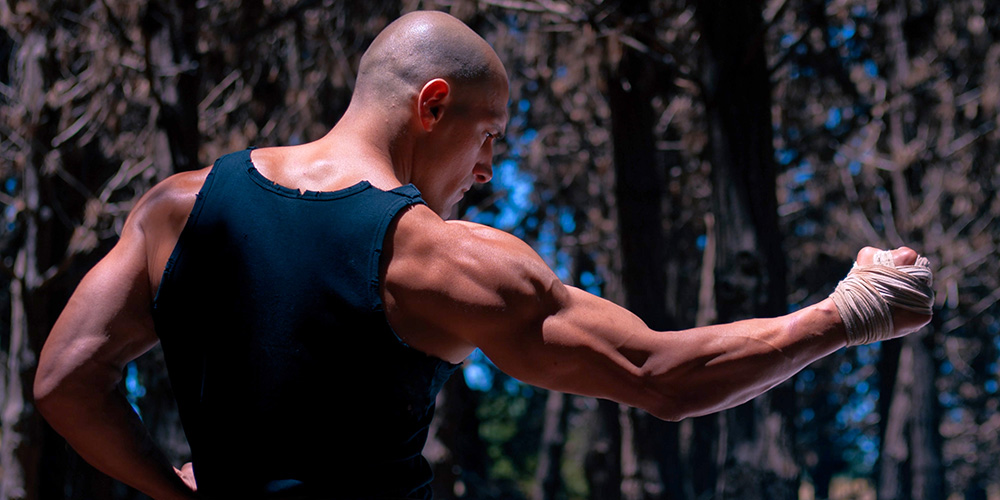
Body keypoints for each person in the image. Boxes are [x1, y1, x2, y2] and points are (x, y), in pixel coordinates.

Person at [33, 10, 933, 500]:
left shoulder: (178, 210)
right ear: (432, 105)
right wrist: (848, 314)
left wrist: (173, 494)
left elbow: (66, 381)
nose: (488, 171)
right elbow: (661, 377)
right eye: (489, 135)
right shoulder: (438, 263)